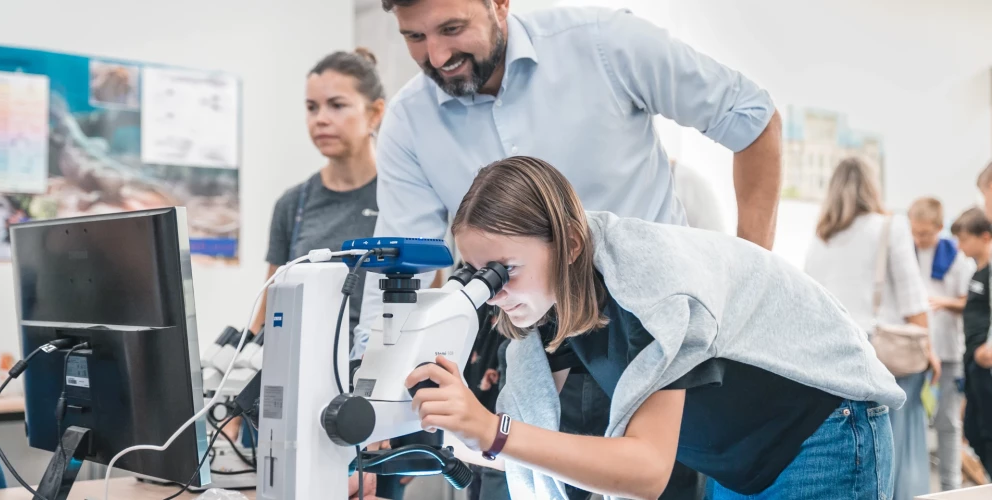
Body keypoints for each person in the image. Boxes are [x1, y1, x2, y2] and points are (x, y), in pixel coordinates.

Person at [361, 1, 782, 496]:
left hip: (647, 332)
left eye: (452, 29)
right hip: (522, 336)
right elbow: (402, 274)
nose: (436, 55)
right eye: (414, 38)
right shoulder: (410, 123)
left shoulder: (604, 42)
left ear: (500, 5)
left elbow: (752, 118)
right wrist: (377, 405)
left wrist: (743, 291)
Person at [401, 156, 900, 499]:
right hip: (740, 454)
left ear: (570, 244)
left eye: (503, 271)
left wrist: (491, 429)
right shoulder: (553, 299)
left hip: (822, 429)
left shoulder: (649, 287)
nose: (494, 293)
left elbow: (645, 471)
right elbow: (536, 441)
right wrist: (459, 433)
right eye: (477, 273)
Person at [249, 48, 386, 500]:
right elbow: (268, 308)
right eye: (311, 107)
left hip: (372, 404)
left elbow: (424, 311)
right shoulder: (295, 204)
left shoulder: (405, 201)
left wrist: (386, 422)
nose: (320, 119)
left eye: (337, 105)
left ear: (375, 113)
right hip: (299, 401)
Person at [803, 157, 936, 500]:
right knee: (902, 456)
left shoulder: (820, 238)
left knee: (860, 458)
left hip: (835, 361)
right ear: (872, 187)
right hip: (888, 360)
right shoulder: (890, 226)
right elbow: (912, 298)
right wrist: (929, 351)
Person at [908, 197, 973, 491]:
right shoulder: (905, 251)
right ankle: (917, 487)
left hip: (947, 351)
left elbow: (969, 301)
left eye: (924, 233)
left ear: (938, 228)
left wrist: (943, 303)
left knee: (947, 422)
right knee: (912, 422)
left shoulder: (956, 256)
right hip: (913, 352)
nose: (918, 238)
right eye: (914, 232)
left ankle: (952, 487)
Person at [951, 208, 992, 476]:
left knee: (987, 430)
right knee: (973, 430)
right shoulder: (977, 271)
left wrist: (984, 351)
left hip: (984, 361)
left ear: (985, 236)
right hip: (972, 362)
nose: (960, 246)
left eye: (965, 239)